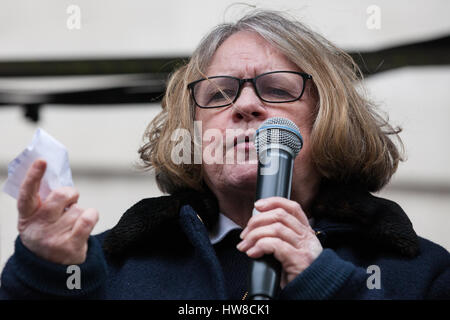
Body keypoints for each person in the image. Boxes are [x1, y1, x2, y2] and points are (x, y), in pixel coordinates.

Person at [1, 10, 449, 300]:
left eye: (276, 89)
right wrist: (44, 272)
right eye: (219, 93)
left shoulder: (420, 274)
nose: (245, 105)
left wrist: (325, 284)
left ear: (326, 116)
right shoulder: (109, 267)